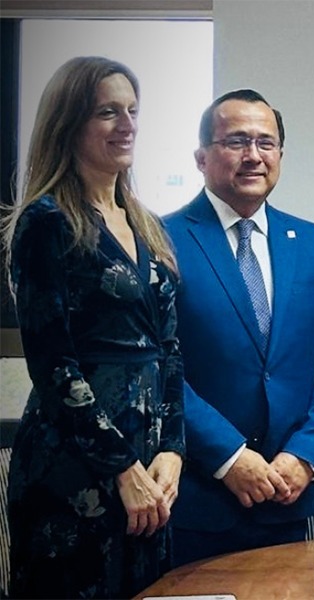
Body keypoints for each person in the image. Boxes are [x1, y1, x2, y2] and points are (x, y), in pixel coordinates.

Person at [1, 56, 184, 599]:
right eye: (108, 112)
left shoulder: (146, 224)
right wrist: (122, 468)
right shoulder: (46, 222)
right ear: (69, 124)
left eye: (133, 110)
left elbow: (171, 349)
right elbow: (53, 365)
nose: (127, 124)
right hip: (74, 467)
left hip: (149, 465)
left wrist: (172, 451)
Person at [163, 89, 314, 564]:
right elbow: (159, 365)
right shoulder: (161, 240)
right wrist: (229, 456)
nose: (253, 155)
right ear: (201, 158)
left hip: (288, 495)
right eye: (236, 141)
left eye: (266, 143)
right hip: (197, 498)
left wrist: (306, 454)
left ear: (280, 156)